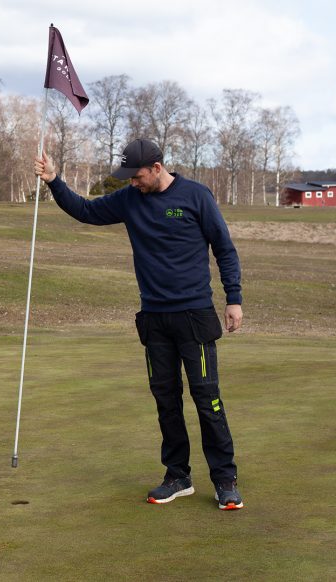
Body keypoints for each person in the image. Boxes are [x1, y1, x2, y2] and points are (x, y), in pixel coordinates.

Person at [34, 138, 244, 510]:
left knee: (207, 398)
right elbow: (85, 210)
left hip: (194, 316)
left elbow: (224, 248)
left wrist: (234, 298)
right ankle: (177, 476)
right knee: (166, 400)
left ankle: (225, 479)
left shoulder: (196, 196)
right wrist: (54, 180)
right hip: (154, 318)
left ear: (157, 168)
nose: (132, 182)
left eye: (137, 176)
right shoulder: (130, 200)